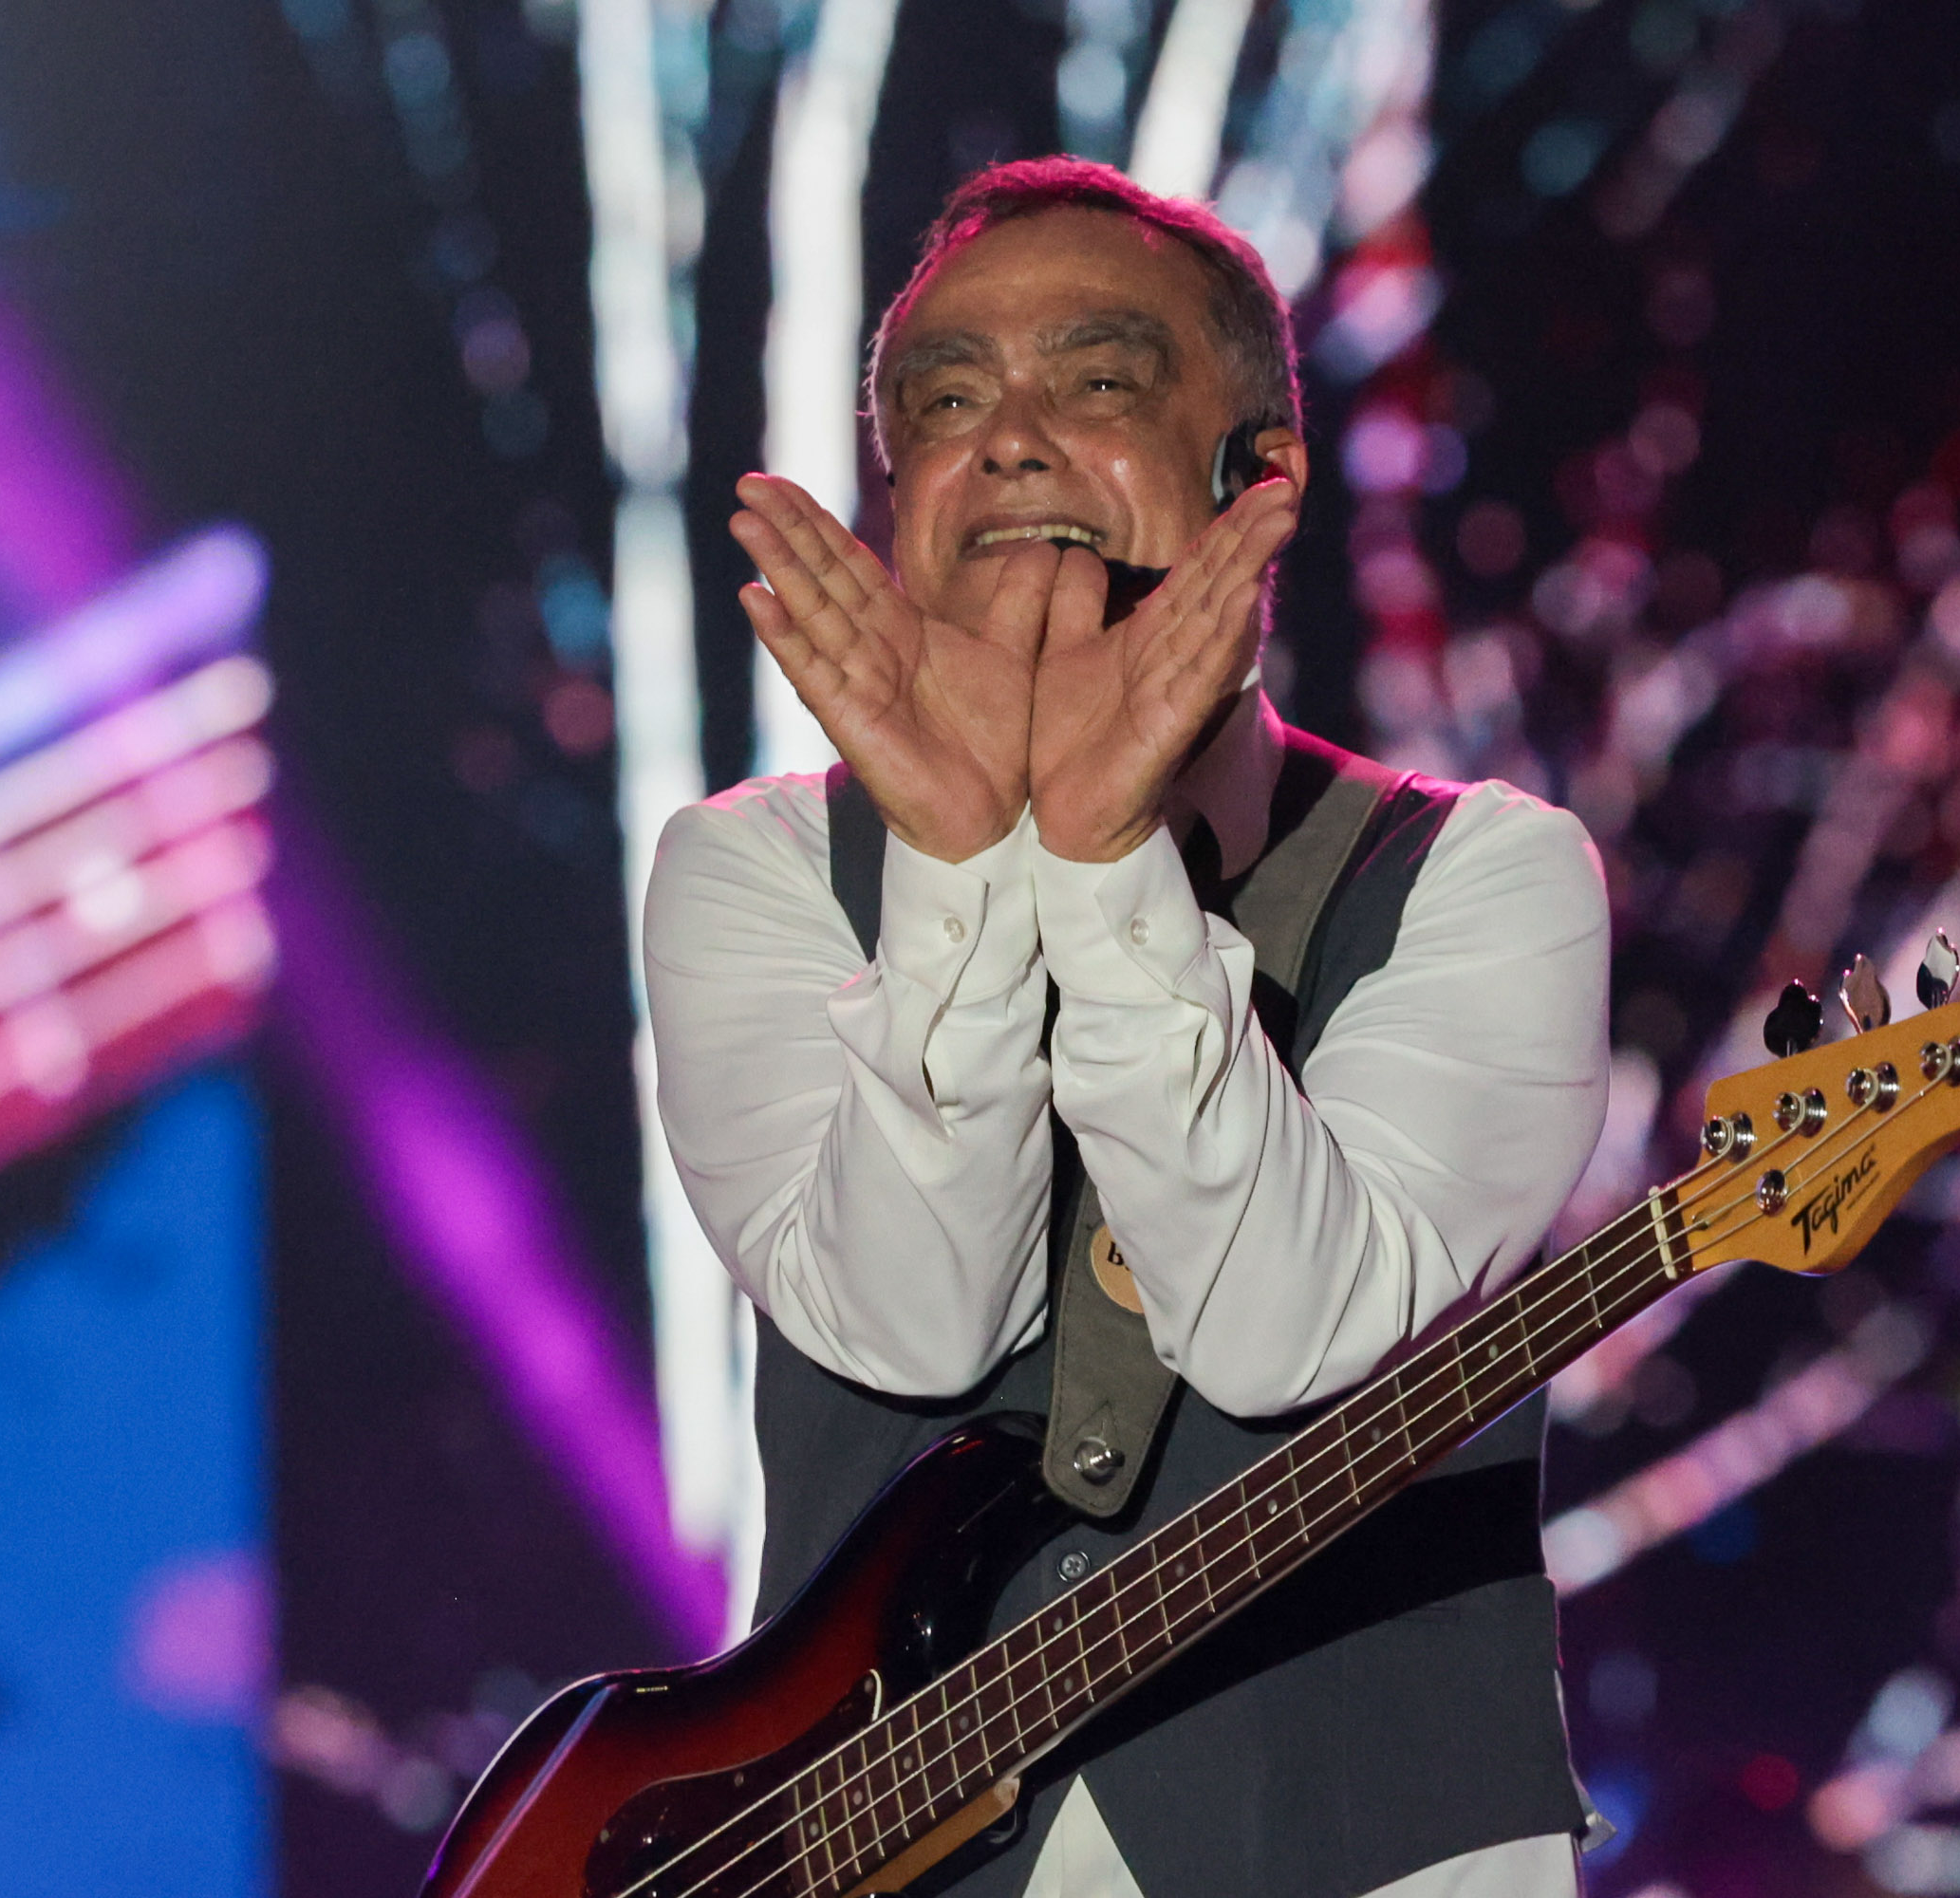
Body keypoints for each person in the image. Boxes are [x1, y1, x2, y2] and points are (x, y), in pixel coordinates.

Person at [644, 158, 1612, 1898]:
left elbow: (1287, 1337)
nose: (1009, 442)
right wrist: (963, 870)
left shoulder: (1485, 875)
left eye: (1096, 382)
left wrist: (1099, 868)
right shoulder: (752, 871)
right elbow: (911, 1322)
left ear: (1262, 477)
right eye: (946, 404)